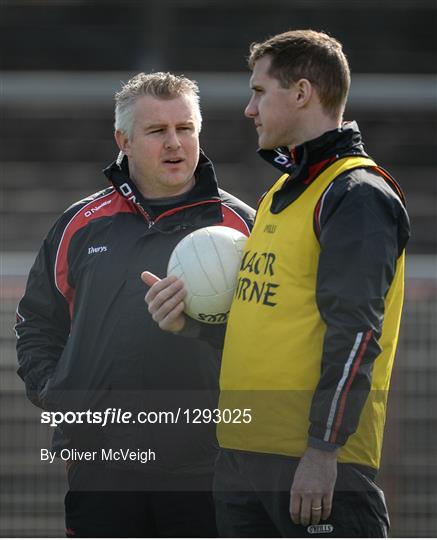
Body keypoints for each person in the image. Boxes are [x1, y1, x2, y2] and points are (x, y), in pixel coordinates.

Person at [145, 31, 410, 537]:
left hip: (313, 467)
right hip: (244, 458)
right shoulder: (280, 193)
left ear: (303, 92)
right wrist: (191, 325)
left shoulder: (355, 194)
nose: (249, 109)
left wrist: (323, 449)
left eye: (259, 91)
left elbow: (357, 334)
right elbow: (267, 322)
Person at [15, 71, 254, 538]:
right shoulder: (80, 225)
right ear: (123, 139)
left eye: (185, 129)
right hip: (101, 467)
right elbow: (36, 323)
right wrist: (59, 395)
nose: (174, 143)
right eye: (157, 131)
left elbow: (267, 339)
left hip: (208, 469)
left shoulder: (243, 227)